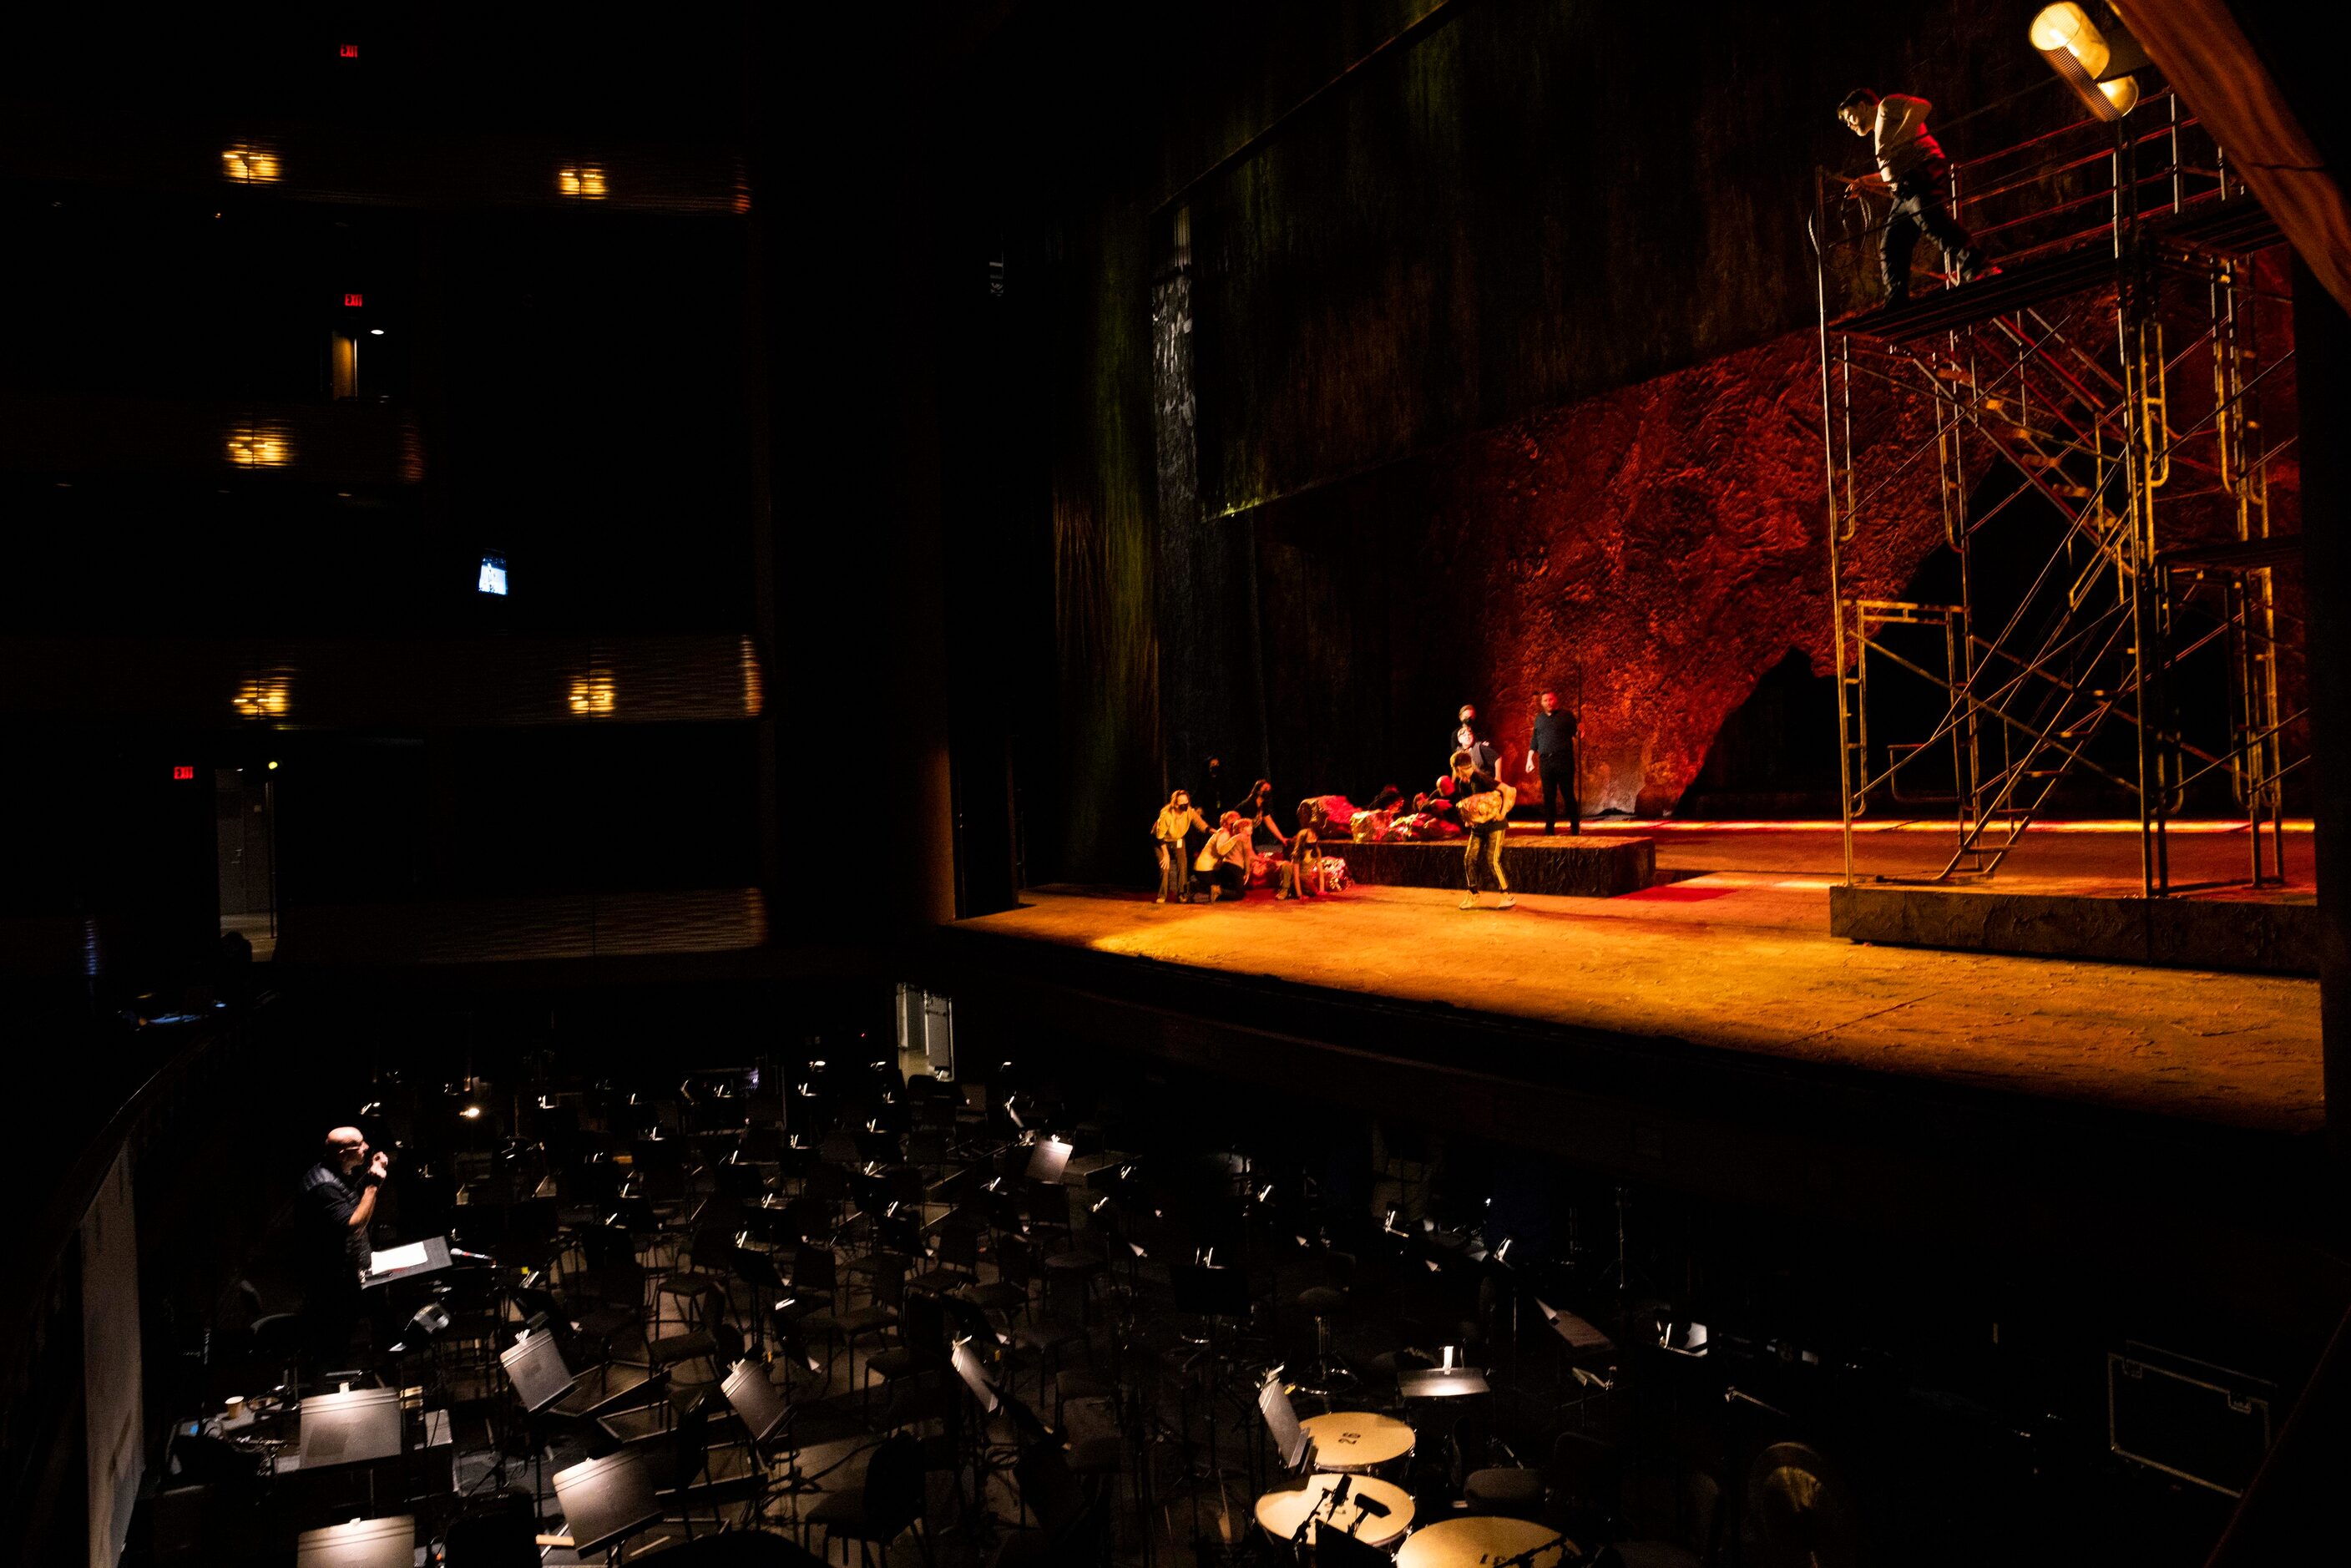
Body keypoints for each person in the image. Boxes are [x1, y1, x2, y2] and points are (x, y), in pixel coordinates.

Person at [1837, 88, 1992, 306]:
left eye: (1849, 117)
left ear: (1862, 106)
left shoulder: (1886, 106)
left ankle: (1980, 268)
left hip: (1921, 171)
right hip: (1904, 186)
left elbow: (1921, 106)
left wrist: (1901, 138)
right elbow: (1889, 172)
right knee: (1892, 245)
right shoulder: (1881, 130)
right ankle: (1896, 302)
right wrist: (1864, 182)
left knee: (1933, 221)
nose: (1850, 125)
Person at [299, 1125, 389, 1373]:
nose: (366, 1148)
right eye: (359, 1145)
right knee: (335, 1348)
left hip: (345, 1275)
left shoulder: (335, 1172)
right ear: (341, 1152)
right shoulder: (324, 1187)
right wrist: (372, 1186)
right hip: (332, 1285)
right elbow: (354, 1225)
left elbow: (350, 1200)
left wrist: (372, 1175)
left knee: (349, 1339)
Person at [1450, 750, 1516, 911]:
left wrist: (1502, 813)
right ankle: (1473, 894)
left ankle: (1506, 895)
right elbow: (1469, 805)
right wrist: (1469, 820)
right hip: (1479, 827)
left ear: (1458, 768)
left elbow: (1507, 790)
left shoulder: (1480, 777)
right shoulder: (1463, 784)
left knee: (1492, 859)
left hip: (1495, 825)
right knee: (1469, 857)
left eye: (1455, 769)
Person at [1526, 689, 1580, 836]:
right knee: (1548, 796)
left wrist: (1581, 730)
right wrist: (1529, 758)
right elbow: (1535, 740)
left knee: (1568, 794)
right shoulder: (1539, 719)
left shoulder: (1566, 716)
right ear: (1542, 703)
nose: (1549, 702)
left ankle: (1575, 828)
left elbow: (1577, 734)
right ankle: (1549, 829)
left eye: (1551, 699)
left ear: (1556, 700)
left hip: (1563, 760)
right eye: (1545, 700)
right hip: (1545, 761)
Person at [1151, 790, 1211, 903]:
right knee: (1165, 866)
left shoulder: (1189, 811)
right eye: (1181, 801)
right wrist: (1166, 854)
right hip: (1161, 840)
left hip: (1177, 839)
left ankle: (1182, 893)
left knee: (1182, 863)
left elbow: (1199, 823)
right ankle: (1162, 895)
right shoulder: (1166, 815)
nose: (1185, 804)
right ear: (1175, 803)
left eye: (1186, 801)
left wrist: (1210, 830)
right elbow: (1160, 836)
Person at [1195, 811, 1253, 902]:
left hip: (1213, 868)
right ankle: (1196, 888)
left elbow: (1246, 853)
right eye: (1233, 824)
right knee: (1223, 890)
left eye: (1238, 823)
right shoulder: (1224, 834)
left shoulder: (1231, 833)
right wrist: (1236, 838)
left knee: (1230, 888)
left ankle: (1201, 888)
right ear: (1226, 824)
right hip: (1206, 870)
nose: (1236, 826)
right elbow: (1221, 851)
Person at [1280, 801, 1326, 900]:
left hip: (1307, 878)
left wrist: (1322, 890)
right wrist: (1300, 895)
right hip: (1297, 878)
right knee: (1286, 866)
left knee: (1312, 890)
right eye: (1309, 839)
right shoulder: (1298, 853)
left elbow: (1320, 872)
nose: (1312, 841)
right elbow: (1296, 876)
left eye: (1314, 839)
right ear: (1303, 841)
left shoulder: (1316, 850)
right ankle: (1286, 890)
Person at [1239, 779, 1292, 857]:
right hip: (1239, 836)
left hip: (1247, 837)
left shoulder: (1262, 805)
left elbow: (1270, 822)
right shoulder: (1250, 805)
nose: (1268, 791)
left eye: (1269, 789)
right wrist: (1251, 851)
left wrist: (1282, 839)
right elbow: (1246, 829)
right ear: (1258, 791)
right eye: (1265, 789)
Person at [1452, 706, 1500, 778]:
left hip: (1484, 772)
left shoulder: (1480, 733)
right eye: (1466, 716)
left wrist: (1498, 776)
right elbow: (1456, 758)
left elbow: (1493, 754)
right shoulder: (1456, 734)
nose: (1467, 737)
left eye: (1471, 717)